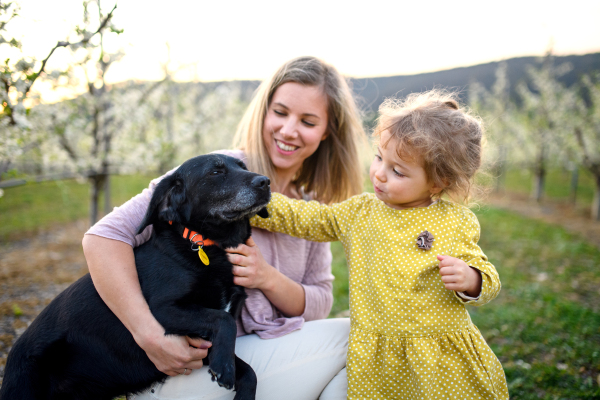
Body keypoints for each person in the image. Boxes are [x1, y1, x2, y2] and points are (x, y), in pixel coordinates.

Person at [82, 56, 368, 399]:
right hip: (183, 366)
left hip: (253, 360)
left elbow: (320, 302)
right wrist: (148, 334)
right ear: (263, 112)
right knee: (358, 338)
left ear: (327, 132)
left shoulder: (313, 206)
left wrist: (267, 277)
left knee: (350, 380)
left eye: (307, 121)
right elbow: (103, 237)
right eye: (280, 112)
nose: (289, 130)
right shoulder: (212, 173)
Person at [250, 90, 509, 399]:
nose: (379, 174)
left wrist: (472, 279)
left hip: (439, 357)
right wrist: (251, 201)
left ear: (438, 182)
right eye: (378, 158)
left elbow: (488, 276)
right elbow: (307, 218)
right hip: (379, 357)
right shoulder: (359, 212)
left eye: (397, 171)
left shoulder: (454, 221)